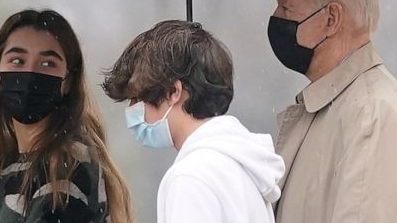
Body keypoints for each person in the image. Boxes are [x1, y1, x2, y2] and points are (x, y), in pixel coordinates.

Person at [267, 0, 397, 223]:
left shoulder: (371, 115)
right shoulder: (333, 108)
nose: (276, 16)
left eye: (286, 7)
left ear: (331, 19)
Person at [0, 9, 133, 223]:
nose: (30, 73)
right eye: (17, 60)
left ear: (67, 81)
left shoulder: (66, 169)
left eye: (47, 64)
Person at [102, 20, 284, 223]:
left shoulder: (190, 176)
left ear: (173, 91)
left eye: (136, 100)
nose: (131, 111)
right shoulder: (243, 165)